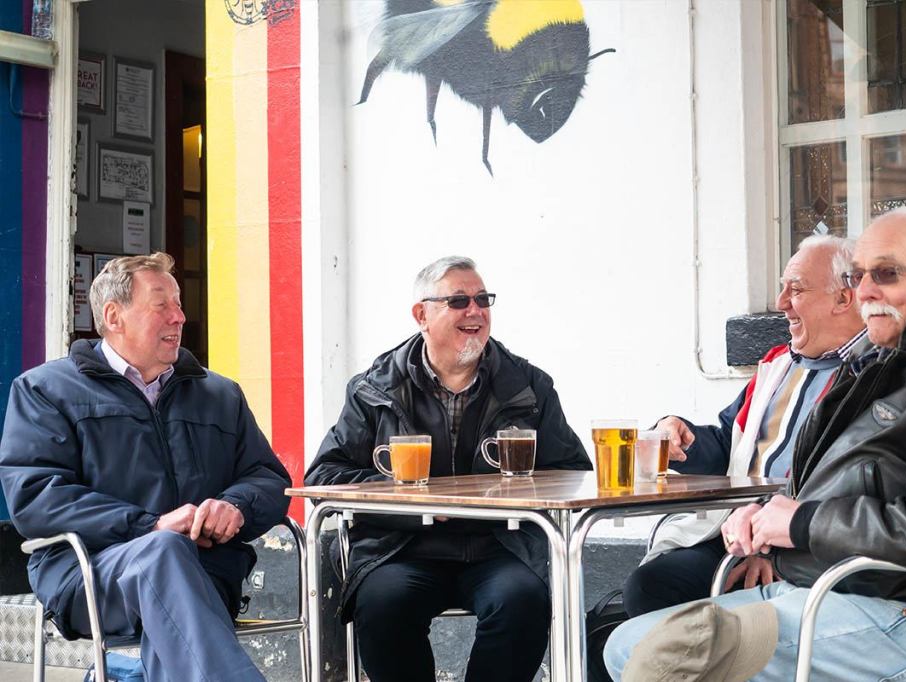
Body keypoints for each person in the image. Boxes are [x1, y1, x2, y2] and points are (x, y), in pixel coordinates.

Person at [605, 207, 906, 681]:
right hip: (830, 593)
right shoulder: (883, 366)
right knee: (625, 642)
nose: (866, 291)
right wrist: (766, 517)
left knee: (655, 655)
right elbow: (832, 482)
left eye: (887, 273)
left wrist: (799, 522)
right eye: (858, 275)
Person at [0, 253, 290, 682]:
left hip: (207, 572)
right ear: (114, 317)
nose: (179, 317)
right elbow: (36, 497)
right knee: (164, 551)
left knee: (176, 598)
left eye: (179, 304)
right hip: (90, 575)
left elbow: (268, 478)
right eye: (161, 305)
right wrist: (149, 526)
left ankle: (129, 673)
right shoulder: (46, 390)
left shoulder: (219, 394)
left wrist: (235, 506)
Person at [306, 255, 590, 682]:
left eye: (482, 300)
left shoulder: (529, 385)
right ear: (421, 315)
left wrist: (514, 494)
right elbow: (325, 475)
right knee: (382, 603)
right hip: (401, 549)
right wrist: (406, 497)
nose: (475, 311)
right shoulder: (374, 388)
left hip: (502, 547)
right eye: (459, 301)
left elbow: (573, 473)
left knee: (523, 599)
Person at [623, 235, 866, 617]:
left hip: (802, 542)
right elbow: (730, 445)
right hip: (735, 529)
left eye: (796, 289)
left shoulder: (872, 373)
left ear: (843, 298)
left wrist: (778, 549)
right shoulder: (779, 365)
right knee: (651, 585)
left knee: (667, 592)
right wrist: (680, 436)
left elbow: (850, 482)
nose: (781, 302)